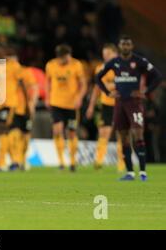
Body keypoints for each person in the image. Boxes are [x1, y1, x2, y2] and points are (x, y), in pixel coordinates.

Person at [96, 36, 162, 181]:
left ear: (131, 46)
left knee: (138, 134)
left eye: (128, 44)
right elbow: (98, 77)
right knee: (124, 137)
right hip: (119, 103)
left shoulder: (140, 61)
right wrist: (107, 93)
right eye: (123, 44)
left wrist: (146, 92)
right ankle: (130, 172)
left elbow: (158, 76)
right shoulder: (114, 62)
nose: (125, 46)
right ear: (119, 46)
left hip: (135, 103)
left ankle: (143, 172)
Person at [45, 44, 87, 172]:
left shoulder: (76, 65)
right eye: (66, 58)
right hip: (56, 103)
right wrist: (47, 97)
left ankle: (72, 162)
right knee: (57, 131)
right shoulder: (51, 65)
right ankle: (61, 162)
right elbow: (48, 82)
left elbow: (83, 84)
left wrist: (79, 98)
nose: (69, 59)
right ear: (60, 57)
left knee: (71, 132)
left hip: (71, 104)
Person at [0, 47, 28, 171]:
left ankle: (7, 162)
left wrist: (26, 104)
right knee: (2, 131)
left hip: (9, 103)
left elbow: (22, 85)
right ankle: (10, 161)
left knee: (5, 129)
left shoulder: (14, 66)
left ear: (4, 55)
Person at [86, 44, 125, 172]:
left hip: (121, 104)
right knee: (104, 133)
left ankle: (122, 163)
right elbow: (97, 89)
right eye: (104, 55)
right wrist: (91, 106)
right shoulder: (101, 68)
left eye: (108, 55)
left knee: (121, 134)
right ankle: (99, 162)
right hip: (106, 105)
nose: (105, 58)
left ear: (115, 54)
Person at [7, 52, 39, 171]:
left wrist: (32, 104)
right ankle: (15, 160)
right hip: (13, 107)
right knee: (13, 134)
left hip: (25, 109)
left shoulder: (26, 72)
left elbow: (34, 88)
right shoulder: (6, 73)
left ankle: (23, 158)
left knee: (25, 135)